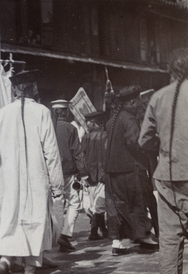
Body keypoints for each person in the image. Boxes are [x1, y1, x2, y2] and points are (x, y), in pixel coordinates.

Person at [0, 70, 64, 274]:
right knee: (36, 223)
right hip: (37, 177)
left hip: (12, 178)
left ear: (14, 90)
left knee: (12, 219)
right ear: (34, 88)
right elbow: (51, 151)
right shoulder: (42, 112)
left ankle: (5, 261)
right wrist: (58, 185)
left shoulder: (3, 113)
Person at [139, 47, 188, 274]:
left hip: (166, 177)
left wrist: (164, 148)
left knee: (169, 237)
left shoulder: (158, 97)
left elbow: (144, 139)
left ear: (171, 70)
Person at [105, 86, 158, 255]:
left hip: (113, 170)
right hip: (131, 169)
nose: (139, 106)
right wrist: (150, 148)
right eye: (138, 103)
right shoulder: (129, 119)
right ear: (132, 102)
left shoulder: (111, 120)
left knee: (118, 206)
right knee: (139, 203)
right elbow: (135, 142)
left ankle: (116, 242)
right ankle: (143, 238)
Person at [51, 99, 87, 251]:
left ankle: (54, 236)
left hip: (50, 171)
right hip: (68, 172)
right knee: (74, 202)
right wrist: (83, 173)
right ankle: (64, 235)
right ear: (64, 111)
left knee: (55, 204)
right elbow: (77, 152)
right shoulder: (70, 129)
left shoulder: (48, 127)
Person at [81, 110, 109, 240]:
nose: (86, 125)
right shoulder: (105, 136)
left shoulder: (85, 138)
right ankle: (95, 231)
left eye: (88, 123)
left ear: (93, 123)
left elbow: (81, 156)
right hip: (103, 175)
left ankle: (100, 230)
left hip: (89, 175)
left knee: (94, 204)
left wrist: (83, 173)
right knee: (100, 204)